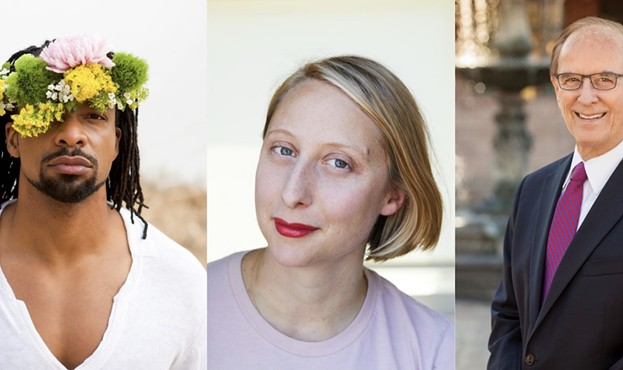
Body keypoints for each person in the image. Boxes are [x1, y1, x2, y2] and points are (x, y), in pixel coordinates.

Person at [207, 55, 454, 369]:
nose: (293, 192)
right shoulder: (191, 302)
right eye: (284, 150)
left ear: (392, 196)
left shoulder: (434, 348)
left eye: (339, 163)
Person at [0, 35, 206, 369]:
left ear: (117, 144)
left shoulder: (181, 282)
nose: (71, 135)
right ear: (14, 139)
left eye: (94, 116)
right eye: (50, 113)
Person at [488, 16, 623, 369]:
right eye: (571, 80)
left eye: (604, 80)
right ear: (556, 88)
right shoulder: (531, 191)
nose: (586, 96)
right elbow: (509, 315)